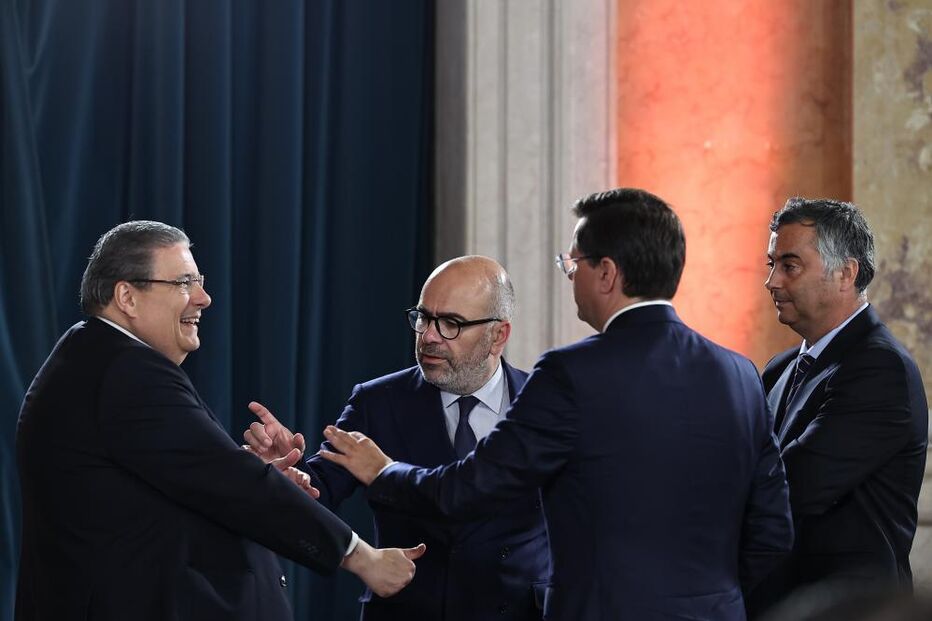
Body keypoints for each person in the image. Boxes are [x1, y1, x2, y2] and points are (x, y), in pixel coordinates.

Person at [318, 188, 794, 621]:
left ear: (606, 273)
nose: (570, 275)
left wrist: (383, 472)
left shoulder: (571, 374)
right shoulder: (741, 375)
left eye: (575, 263)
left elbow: (472, 486)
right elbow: (773, 533)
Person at [15, 221, 424, 621]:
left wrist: (260, 474)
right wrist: (360, 555)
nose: (204, 298)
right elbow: (231, 482)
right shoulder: (125, 370)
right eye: (183, 283)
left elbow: (188, 484)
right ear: (127, 297)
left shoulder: (93, 357)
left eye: (200, 281)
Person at [244, 256, 550, 620]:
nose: (429, 337)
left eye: (451, 323)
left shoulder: (544, 404)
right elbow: (319, 492)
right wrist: (289, 474)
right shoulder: (378, 402)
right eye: (423, 318)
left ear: (498, 335)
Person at [750, 198, 928, 614]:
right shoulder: (779, 368)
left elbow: (795, 483)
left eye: (790, 266)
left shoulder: (880, 367)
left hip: (851, 609)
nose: (772, 282)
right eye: (771, 264)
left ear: (846, 273)